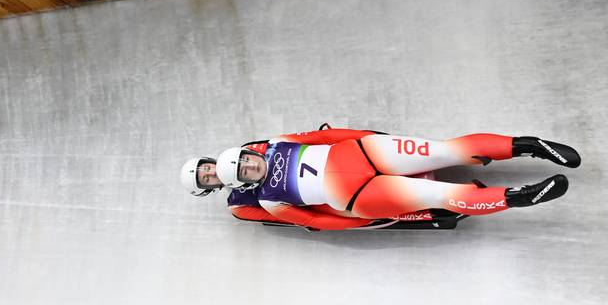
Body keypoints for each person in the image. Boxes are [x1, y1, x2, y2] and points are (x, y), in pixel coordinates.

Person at [207, 127, 580, 231]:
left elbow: (324, 137)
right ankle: (518, 196)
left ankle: (530, 145)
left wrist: (364, 135)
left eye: (246, 159)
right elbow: (315, 220)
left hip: (363, 152)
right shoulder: (271, 201)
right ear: (242, 184)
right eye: (243, 171)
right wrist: (358, 220)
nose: (250, 165)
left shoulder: (276, 143)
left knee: (446, 150)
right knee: (440, 194)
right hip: (360, 194)